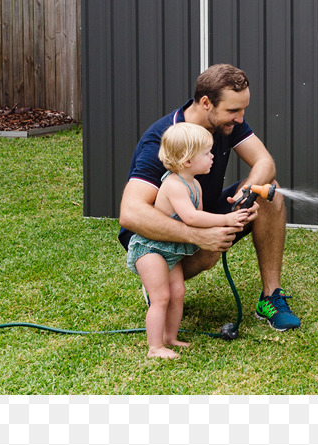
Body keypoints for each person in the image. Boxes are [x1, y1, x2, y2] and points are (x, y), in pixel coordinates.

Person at [118, 63, 301, 330]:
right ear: (206, 103)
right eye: (233, 110)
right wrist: (196, 235)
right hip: (155, 241)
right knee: (208, 252)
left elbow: (264, 162)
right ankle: (158, 280)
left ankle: (271, 297)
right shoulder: (163, 139)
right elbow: (131, 213)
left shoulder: (227, 123)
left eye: (243, 110)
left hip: (201, 213)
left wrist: (246, 191)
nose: (240, 118)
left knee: (268, 191)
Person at [127, 123, 225, 358]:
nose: (213, 156)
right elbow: (191, 216)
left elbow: (196, 221)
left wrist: (230, 221)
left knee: (178, 291)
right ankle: (155, 347)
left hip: (170, 250)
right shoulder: (173, 184)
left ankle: (170, 337)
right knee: (161, 297)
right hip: (151, 248)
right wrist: (227, 218)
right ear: (188, 161)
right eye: (207, 153)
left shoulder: (195, 184)